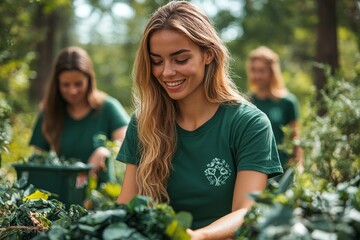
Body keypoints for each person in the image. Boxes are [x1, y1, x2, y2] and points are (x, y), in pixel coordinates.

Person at [116, 1, 283, 239]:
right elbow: (126, 204)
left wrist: (198, 236)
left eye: (180, 59)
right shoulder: (144, 122)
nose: (167, 72)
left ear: (208, 54)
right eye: (157, 61)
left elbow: (247, 212)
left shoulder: (248, 123)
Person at [30, 46, 130, 185]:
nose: (72, 91)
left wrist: (104, 150)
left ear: (89, 80)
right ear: (57, 84)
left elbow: (128, 141)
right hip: (64, 194)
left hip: (104, 194)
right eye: (66, 85)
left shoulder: (107, 108)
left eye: (78, 84)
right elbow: (37, 160)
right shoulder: (49, 112)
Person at [246, 46, 303, 172]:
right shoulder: (246, 102)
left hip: (282, 169)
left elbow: (295, 138)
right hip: (254, 169)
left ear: (272, 72)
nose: (257, 76)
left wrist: (299, 165)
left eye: (262, 71)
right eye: (254, 70)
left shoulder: (287, 102)